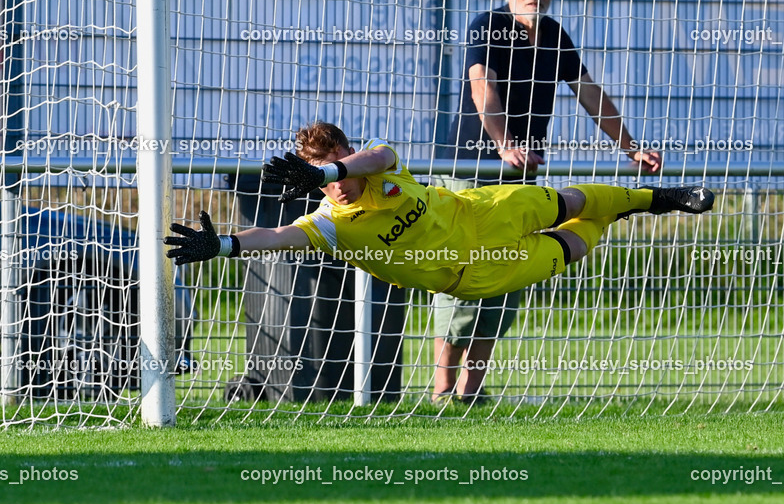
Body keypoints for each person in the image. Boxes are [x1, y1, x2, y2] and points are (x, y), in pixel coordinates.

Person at [164, 125, 714, 392]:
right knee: (576, 241)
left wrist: (331, 170)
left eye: (340, 168)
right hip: (474, 274)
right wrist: (225, 245)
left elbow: (375, 154)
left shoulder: (379, 166)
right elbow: (277, 234)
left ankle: (661, 199)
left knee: (567, 200)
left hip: (482, 212)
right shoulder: (329, 226)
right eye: (327, 178)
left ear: (346, 159)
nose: (340, 184)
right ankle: (618, 213)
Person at [434, 0, 662, 404]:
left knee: (508, 275)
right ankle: (442, 389)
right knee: (464, 276)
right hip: (473, 170)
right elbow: (484, 87)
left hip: (522, 176)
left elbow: (590, 92)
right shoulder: (487, 26)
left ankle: (471, 393)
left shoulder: (556, 35)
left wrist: (632, 147)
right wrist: (502, 144)